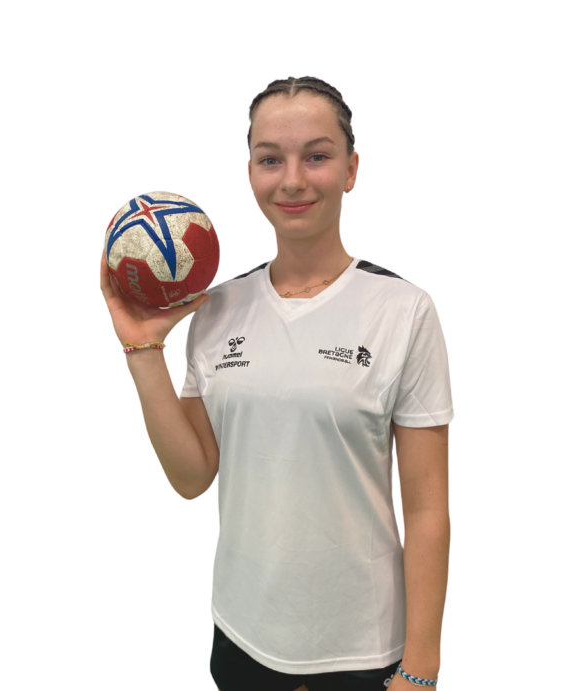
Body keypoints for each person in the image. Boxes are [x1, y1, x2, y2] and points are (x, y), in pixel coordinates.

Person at [100, 74, 453, 691]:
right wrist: (143, 348)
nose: (292, 180)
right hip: (241, 633)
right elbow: (191, 479)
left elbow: (426, 508)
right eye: (270, 159)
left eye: (317, 156)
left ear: (352, 169)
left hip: (363, 647)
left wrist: (421, 667)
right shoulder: (215, 307)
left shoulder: (405, 309)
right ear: (249, 175)